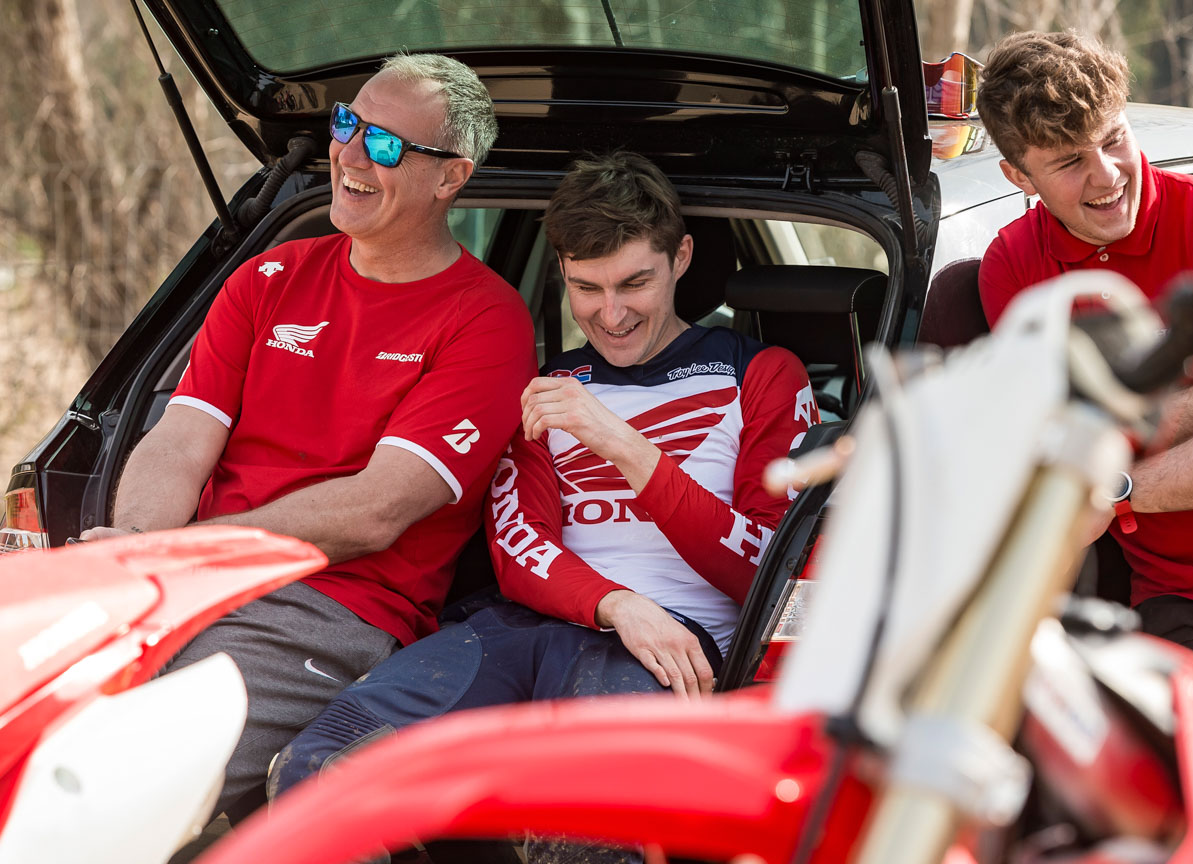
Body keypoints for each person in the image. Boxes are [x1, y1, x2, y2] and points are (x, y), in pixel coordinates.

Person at [269, 151, 819, 800]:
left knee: (584, 811)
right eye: (586, 288)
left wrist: (622, 444)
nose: (611, 315)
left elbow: (767, 569)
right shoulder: (551, 385)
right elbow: (518, 547)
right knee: (317, 769)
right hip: (531, 624)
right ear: (562, 272)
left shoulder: (762, 374)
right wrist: (618, 605)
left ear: (681, 258)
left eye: (634, 283)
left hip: (671, 644)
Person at [77, 53, 536, 820]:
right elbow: (180, 440)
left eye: (385, 145)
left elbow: (375, 510)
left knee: (115, 782)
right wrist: (134, 547)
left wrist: (189, 553)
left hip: (327, 611)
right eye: (348, 123)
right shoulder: (270, 276)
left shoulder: (485, 322)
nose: (350, 155)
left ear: (450, 178)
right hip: (190, 582)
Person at [977, 30, 1193, 680]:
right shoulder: (1013, 267)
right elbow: (1057, 448)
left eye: (1113, 140)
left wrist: (1116, 490)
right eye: (1069, 161)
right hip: (1179, 602)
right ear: (1018, 176)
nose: (1108, 175)